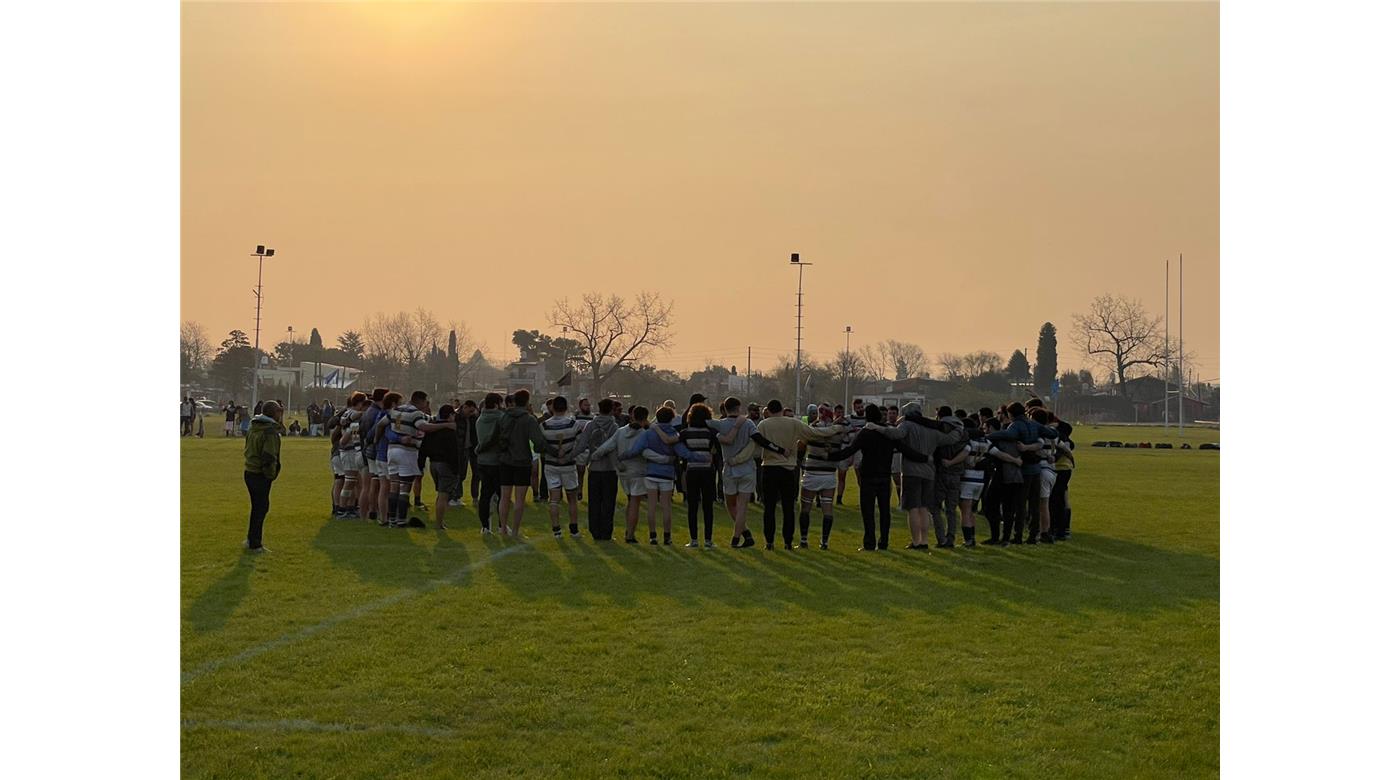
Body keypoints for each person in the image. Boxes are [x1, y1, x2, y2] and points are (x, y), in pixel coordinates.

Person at [824, 404, 926, 551]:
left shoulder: (865, 433)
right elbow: (905, 450)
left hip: (868, 476)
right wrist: (923, 458)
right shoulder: (888, 432)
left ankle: (869, 542)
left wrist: (830, 456)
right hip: (884, 475)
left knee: (868, 511)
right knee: (885, 511)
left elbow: (850, 450)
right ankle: (884, 542)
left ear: (867, 416)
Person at [869, 402, 966, 551]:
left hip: (911, 472)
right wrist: (959, 427)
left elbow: (896, 434)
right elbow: (951, 439)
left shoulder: (907, 425)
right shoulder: (931, 429)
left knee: (913, 508)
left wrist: (878, 428)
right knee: (924, 508)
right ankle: (925, 541)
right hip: (929, 472)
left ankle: (916, 541)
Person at [755, 399, 843, 550]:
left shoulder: (763, 424)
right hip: (789, 469)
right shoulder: (793, 423)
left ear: (768, 411)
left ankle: (769, 542)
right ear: (782, 410)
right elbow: (814, 433)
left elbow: (758, 445)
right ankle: (788, 542)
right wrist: (835, 429)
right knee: (788, 508)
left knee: (769, 508)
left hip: (769, 468)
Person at [986, 402, 1058, 544]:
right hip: (1036, 469)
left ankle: (1018, 535)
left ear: (1010, 414)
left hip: (1023, 469)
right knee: (1035, 505)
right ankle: (1033, 535)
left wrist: (989, 435)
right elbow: (1052, 433)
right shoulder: (1034, 424)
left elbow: (1009, 434)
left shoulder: (1016, 425)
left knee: (1019, 505)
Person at [386, 391, 455, 528]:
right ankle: (401, 520)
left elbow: (382, 425)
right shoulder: (415, 413)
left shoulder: (396, 410)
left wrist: (389, 438)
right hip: (406, 451)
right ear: (421, 401)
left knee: (394, 486)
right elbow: (424, 426)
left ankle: (392, 519)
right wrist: (446, 425)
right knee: (405, 487)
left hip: (391, 450)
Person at [626, 405, 692, 545]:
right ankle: (667, 536)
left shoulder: (648, 433)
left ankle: (653, 535)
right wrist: (699, 457)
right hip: (667, 473)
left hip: (651, 473)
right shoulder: (673, 433)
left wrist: (623, 456)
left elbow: (636, 449)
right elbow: (683, 453)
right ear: (671, 418)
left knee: (651, 506)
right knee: (666, 506)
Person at [594, 404, 654, 544]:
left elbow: (607, 446)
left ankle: (629, 529)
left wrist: (594, 455)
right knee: (635, 503)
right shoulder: (645, 434)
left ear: (632, 415)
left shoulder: (620, 431)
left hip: (622, 472)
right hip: (638, 471)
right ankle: (630, 534)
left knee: (630, 500)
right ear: (645, 418)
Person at [495, 389, 549, 538]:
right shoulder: (529, 419)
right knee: (520, 499)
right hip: (522, 461)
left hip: (505, 460)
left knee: (504, 497)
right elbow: (537, 441)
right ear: (526, 401)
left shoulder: (504, 417)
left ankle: (503, 529)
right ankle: (516, 531)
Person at [797, 405, 848, 549]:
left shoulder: (811, 431)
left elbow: (800, 447)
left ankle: (803, 540)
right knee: (827, 509)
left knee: (805, 507)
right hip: (829, 474)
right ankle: (824, 542)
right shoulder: (838, 432)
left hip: (812, 473)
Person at [541, 396, 586, 538]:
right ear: (566, 407)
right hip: (568, 466)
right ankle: (574, 530)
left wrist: (553, 453)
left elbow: (541, 446)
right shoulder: (574, 425)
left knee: (554, 499)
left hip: (550, 465)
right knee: (572, 498)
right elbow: (580, 445)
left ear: (552, 408)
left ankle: (556, 530)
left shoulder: (544, 426)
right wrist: (568, 455)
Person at [242, 400, 284, 553]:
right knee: (261, 508)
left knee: (257, 507)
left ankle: (251, 539)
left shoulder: (254, 426)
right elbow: (269, 456)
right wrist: (271, 475)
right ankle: (255, 543)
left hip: (249, 470)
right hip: (260, 474)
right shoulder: (269, 431)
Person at [677, 402, 720, 547]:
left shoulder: (685, 433)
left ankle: (693, 539)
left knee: (692, 506)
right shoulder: (711, 432)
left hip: (691, 470)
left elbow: (677, 447)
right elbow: (717, 449)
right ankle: (708, 540)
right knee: (708, 506)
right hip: (708, 470)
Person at [577, 398, 620, 541]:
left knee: (594, 502)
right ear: (611, 410)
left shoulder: (591, 425)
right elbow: (614, 448)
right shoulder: (614, 427)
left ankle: (595, 531)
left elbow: (582, 445)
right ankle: (606, 532)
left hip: (594, 468)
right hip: (609, 469)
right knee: (608, 503)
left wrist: (569, 456)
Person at [931, 406, 968, 549]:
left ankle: (941, 538)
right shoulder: (962, 430)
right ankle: (951, 538)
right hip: (957, 473)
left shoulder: (940, 428)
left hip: (941, 471)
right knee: (951, 509)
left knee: (935, 507)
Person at [421, 404, 463, 530]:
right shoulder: (449, 430)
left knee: (441, 495)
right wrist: (456, 470)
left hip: (433, 463)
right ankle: (439, 524)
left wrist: (421, 462)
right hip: (445, 464)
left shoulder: (433, 429)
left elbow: (424, 447)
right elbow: (453, 452)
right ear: (450, 415)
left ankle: (440, 521)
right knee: (443, 495)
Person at [473, 393, 506, 534]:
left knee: (485, 494)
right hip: (498, 461)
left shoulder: (480, 419)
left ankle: (485, 526)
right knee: (502, 495)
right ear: (498, 403)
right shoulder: (501, 418)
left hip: (482, 461)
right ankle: (502, 525)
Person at [335, 392, 369, 519]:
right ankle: (342, 509)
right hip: (349, 450)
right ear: (359, 403)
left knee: (354, 482)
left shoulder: (347, 413)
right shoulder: (353, 414)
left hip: (350, 450)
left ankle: (349, 508)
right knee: (349, 482)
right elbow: (352, 429)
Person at [1050, 421, 1076, 540]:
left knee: (1058, 500)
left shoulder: (1064, 442)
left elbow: (1058, 455)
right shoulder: (1066, 441)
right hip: (1063, 470)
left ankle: (1061, 529)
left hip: (1061, 470)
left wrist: (1052, 458)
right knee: (1060, 500)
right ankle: (1062, 529)